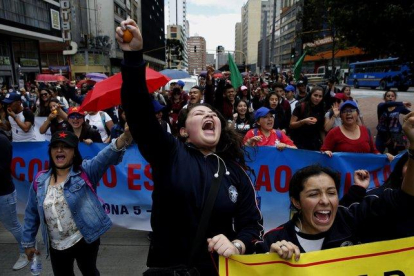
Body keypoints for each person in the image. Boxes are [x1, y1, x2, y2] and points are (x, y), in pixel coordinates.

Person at [116, 20, 263, 275]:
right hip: (168, 268)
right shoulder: (170, 155)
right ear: (184, 131)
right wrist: (133, 57)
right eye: (199, 114)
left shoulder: (237, 173)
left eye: (213, 114)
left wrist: (237, 244)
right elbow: (139, 112)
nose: (209, 116)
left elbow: (252, 226)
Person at [256, 114, 414, 259]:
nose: (325, 200)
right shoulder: (274, 240)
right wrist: (270, 262)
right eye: (313, 194)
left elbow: (405, 200)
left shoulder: (352, 220)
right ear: (296, 201)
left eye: (331, 193)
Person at [21, 129, 132, 275]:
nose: (60, 149)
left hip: (85, 239)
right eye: (55, 146)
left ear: (74, 152)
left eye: (66, 146)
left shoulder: (86, 170)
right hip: (56, 246)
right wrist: (28, 243)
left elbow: (107, 155)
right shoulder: (40, 181)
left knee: (89, 271)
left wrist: (126, 135)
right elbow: (31, 214)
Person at [321, 100, 394, 161]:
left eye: (352, 110)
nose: (348, 113)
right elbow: (323, 152)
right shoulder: (334, 132)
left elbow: (374, 151)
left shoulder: (365, 130)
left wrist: (384, 156)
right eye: (345, 111)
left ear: (358, 113)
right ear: (340, 116)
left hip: (365, 175)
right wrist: (326, 153)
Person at [0, 128, 29, 271]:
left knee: (12, 225)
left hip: (3, 193)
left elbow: (3, 169)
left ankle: (27, 251)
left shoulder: (2, 141)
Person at [289, 86, 325, 150]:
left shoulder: (321, 109)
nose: (317, 98)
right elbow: (291, 125)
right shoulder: (301, 107)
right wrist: (303, 121)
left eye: (320, 96)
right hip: (299, 143)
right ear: (310, 95)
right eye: (315, 95)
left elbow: (321, 129)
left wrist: (325, 145)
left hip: (314, 144)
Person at [375, 90, 411, 155]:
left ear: (395, 98)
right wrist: (401, 103)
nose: (390, 97)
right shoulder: (381, 106)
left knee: (396, 155)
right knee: (377, 153)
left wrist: (406, 119)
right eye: (388, 96)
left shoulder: (399, 108)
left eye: (392, 96)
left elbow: (410, 113)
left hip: (396, 134)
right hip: (382, 134)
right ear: (385, 98)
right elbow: (387, 104)